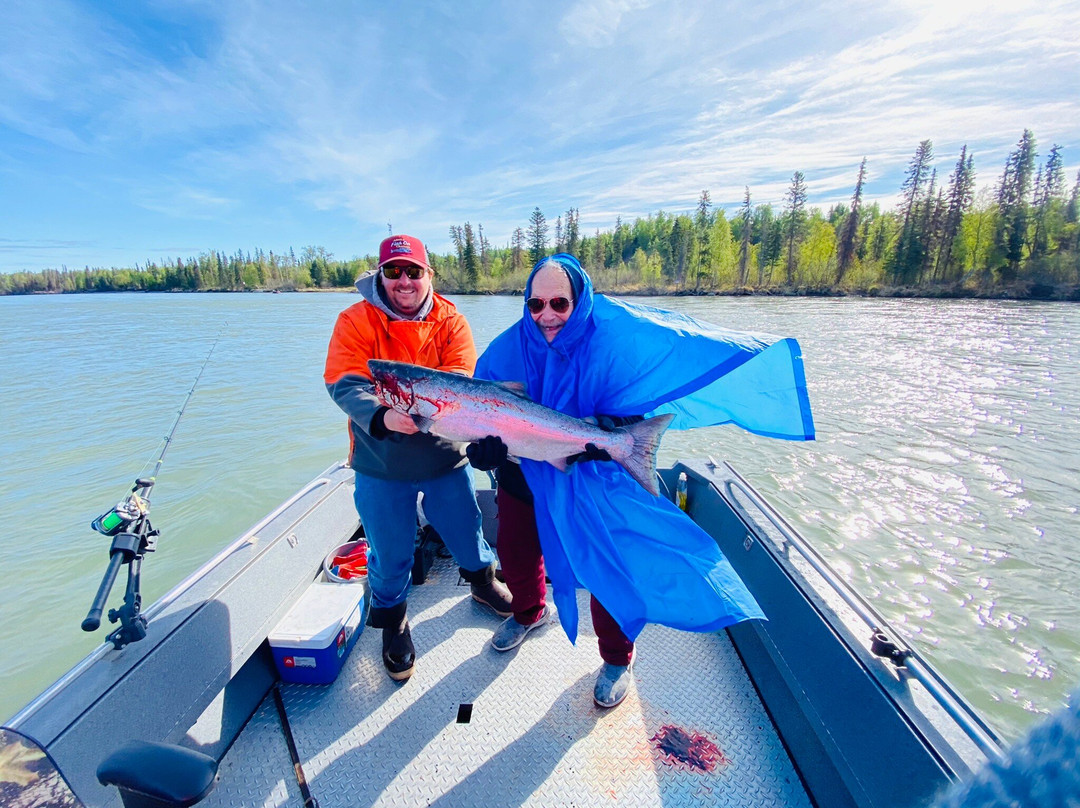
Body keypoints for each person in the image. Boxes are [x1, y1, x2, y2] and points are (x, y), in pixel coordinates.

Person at [469, 254, 815, 708]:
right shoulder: (503, 350)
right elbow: (474, 412)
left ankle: (617, 658)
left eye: (559, 303)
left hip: (595, 480)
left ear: (580, 300)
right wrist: (482, 449)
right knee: (515, 553)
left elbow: (645, 388)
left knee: (609, 572)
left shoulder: (614, 341)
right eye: (536, 304)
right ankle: (529, 612)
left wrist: (613, 428)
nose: (547, 315)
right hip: (522, 477)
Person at [324, 233, 512, 682]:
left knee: (466, 529)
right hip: (380, 460)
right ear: (381, 275)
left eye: (413, 271)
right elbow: (344, 382)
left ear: (429, 274)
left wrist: (472, 432)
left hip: (443, 454)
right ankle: (393, 620)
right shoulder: (355, 320)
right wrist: (383, 415)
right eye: (393, 271)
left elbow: (460, 381)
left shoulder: (452, 320)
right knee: (389, 550)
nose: (403, 281)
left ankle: (483, 584)